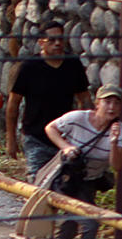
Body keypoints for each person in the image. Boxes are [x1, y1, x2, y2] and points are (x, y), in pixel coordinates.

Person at [5, 22, 92, 174]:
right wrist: (11, 139)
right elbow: (13, 105)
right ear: (41, 43)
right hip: (36, 137)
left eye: (60, 39)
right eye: (51, 40)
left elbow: (83, 100)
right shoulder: (29, 67)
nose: (57, 44)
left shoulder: (73, 65)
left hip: (65, 137)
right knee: (38, 182)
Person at [46, 86, 122, 239]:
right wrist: (66, 147)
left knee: (71, 221)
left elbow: (116, 165)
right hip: (66, 179)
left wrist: (113, 142)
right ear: (97, 103)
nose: (112, 107)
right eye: (107, 102)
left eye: (117, 103)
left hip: (89, 182)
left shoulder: (121, 130)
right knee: (90, 223)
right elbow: (50, 128)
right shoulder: (77, 118)